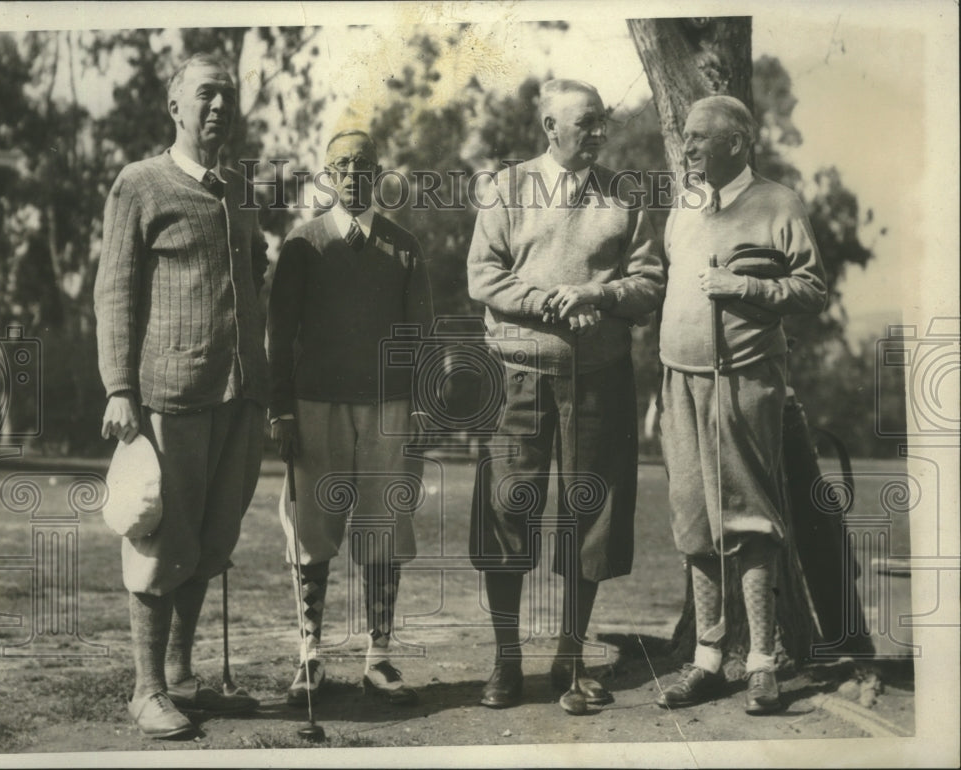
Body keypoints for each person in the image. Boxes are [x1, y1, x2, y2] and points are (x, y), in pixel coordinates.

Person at [466, 79, 665, 712]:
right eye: (588, 123)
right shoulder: (505, 188)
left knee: (591, 514)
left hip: (600, 376)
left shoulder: (624, 197)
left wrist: (597, 297)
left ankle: (572, 657)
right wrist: (550, 304)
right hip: (517, 372)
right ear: (551, 128)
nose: (601, 133)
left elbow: (649, 280)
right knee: (507, 506)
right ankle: (505, 660)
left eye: (604, 122)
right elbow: (483, 274)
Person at [94, 53, 267, 739]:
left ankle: (185, 679)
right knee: (162, 540)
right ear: (175, 107)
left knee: (209, 543)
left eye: (227, 94)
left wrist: (264, 388)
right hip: (170, 394)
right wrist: (118, 388)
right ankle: (146, 688)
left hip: (239, 397)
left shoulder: (240, 191)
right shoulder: (140, 184)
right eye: (205, 95)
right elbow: (113, 293)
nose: (218, 106)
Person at [655, 95, 827, 714]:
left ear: (738, 141)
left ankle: (761, 661)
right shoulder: (685, 206)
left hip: (747, 380)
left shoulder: (779, 202)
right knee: (693, 521)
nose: (689, 146)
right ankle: (707, 658)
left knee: (750, 518)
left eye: (701, 137)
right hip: (679, 383)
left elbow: (811, 288)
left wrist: (745, 286)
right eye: (688, 137)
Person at [268, 129, 434, 708]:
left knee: (383, 530)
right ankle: (310, 654)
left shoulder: (404, 246)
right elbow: (279, 334)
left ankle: (379, 655)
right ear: (326, 174)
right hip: (315, 405)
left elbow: (421, 336)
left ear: (379, 171)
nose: (352, 173)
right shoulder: (303, 244)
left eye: (363, 163)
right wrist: (282, 408)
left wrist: (421, 408)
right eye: (341, 164)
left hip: (388, 409)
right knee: (312, 531)